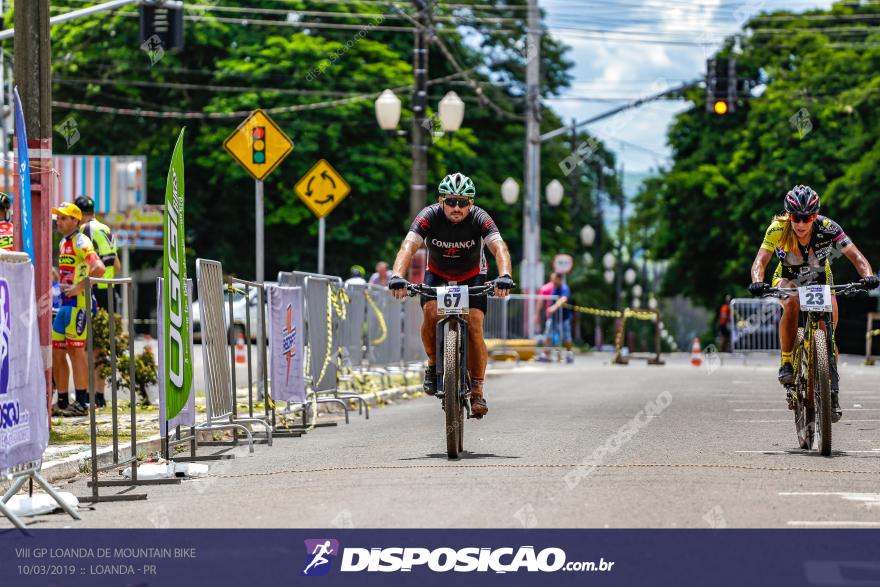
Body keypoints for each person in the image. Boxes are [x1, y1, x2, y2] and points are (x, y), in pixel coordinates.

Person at [388, 173, 513, 418]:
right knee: (431, 313)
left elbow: (499, 247)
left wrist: (505, 275)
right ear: (441, 200)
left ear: (472, 204)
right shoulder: (429, 215)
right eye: (452, 201)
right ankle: (434, 363)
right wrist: (397, 276)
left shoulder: (480, 218)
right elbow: (408, 246)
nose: (457, 207)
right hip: (438, 274)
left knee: (475, 323)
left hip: (472, 275)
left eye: (463, 202)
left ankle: (477, 391)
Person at [748, 185, 877, 422]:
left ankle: (832, 392)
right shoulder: (778, 228)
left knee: (828, 335)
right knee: (791, 300)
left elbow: (856, 256)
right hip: (788, 278)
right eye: (795, 217)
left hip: (820, 279)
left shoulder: (829, 228)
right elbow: (760, 261)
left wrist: (868, 276)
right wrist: (758, 280)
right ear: (789, 215)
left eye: (806, 218)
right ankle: (787, 362)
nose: (800, 223)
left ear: (815, 216)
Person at [51, 202, 106, 416]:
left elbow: (99, 268)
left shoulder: (81, 241)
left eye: (64, 217)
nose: (60, 221)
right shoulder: (64, 243)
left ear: (76, 220)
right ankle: (63, 401)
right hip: (65, 306)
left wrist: (80, 287)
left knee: (76, 352)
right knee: (57, 351)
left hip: (79, 305)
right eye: (58, 217)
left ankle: (83, 402)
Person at [540, 273, 574, 363]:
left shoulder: (564, 287)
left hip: (564, 318)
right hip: (553, 317)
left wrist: (554, 307)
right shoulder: (554, 287)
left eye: (554, 279)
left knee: (567, 336)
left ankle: (569, 355)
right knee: (548, 334)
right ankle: (546, 354)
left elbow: (563, 299)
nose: (552, 281)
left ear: (559, 279)